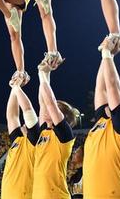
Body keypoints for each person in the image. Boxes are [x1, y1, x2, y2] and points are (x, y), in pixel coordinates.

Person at [82, 40, 120, 198]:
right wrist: (107, 56)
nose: (112, 101)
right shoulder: (103, 122)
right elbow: (101, 88)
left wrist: (107, 54)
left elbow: (112, 87)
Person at [32, 58, 80, 198]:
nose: (46, 110)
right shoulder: (45, 132)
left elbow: (50, 102)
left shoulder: (64, 136)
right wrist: (45, 73)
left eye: (52, 110)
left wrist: (42, 74)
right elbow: (43, 102)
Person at [1, 79, 40, 198]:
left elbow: (27, 110)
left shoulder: (35, 141)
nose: (23, 124)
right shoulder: (18, 141)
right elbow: (12, 116)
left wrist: (17, 87)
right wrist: (13, 89)